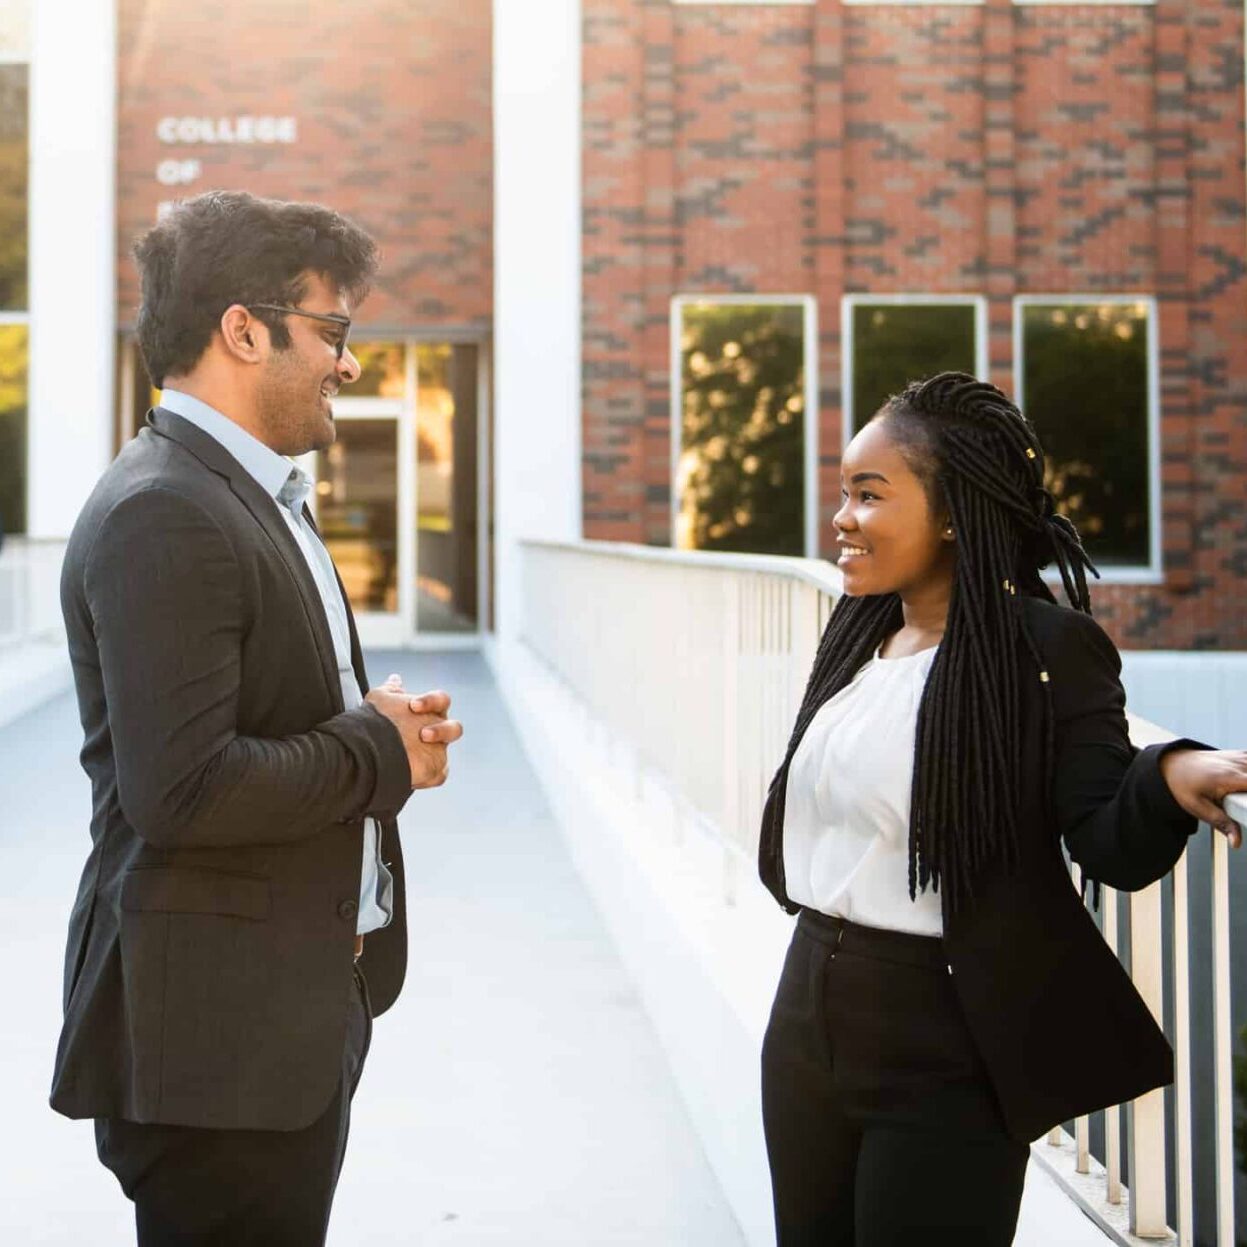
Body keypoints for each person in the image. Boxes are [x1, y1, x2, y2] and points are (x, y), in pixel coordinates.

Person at [50, 190, 464, 1245]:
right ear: (244, 328)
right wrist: (377, 749)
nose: (349, 363)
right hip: (217, 1058)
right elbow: (181, 789)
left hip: (280, 1020)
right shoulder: (165, 510)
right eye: (333, 330)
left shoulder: (244, 493)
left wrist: (365, 730)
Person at [758, 371, 1247, 1246]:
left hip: (943, 1035)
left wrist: (1168, 771)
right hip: (807, 1013)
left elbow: (1103, 833)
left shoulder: (1044, 646)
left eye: (868, 495)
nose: (841, 518)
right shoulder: (860, 631)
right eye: (842, 493)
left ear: (951, 513)